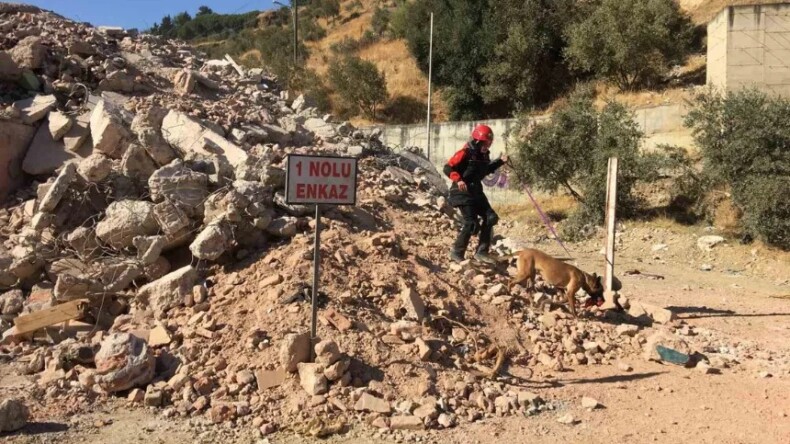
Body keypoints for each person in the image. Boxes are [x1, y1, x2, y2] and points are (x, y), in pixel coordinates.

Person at [443, 124, 508, 264]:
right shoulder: (465, 152)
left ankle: (482, 252)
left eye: (489, 143)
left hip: (476, 191)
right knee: (471, 223)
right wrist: (458, 179)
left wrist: (500, 162)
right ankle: (456, 252)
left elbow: (485, 171)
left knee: (490, 217)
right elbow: (448, 167)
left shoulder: (484, 155)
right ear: (478, 141)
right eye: (485, 143)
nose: (488, 145)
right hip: (462, 191)